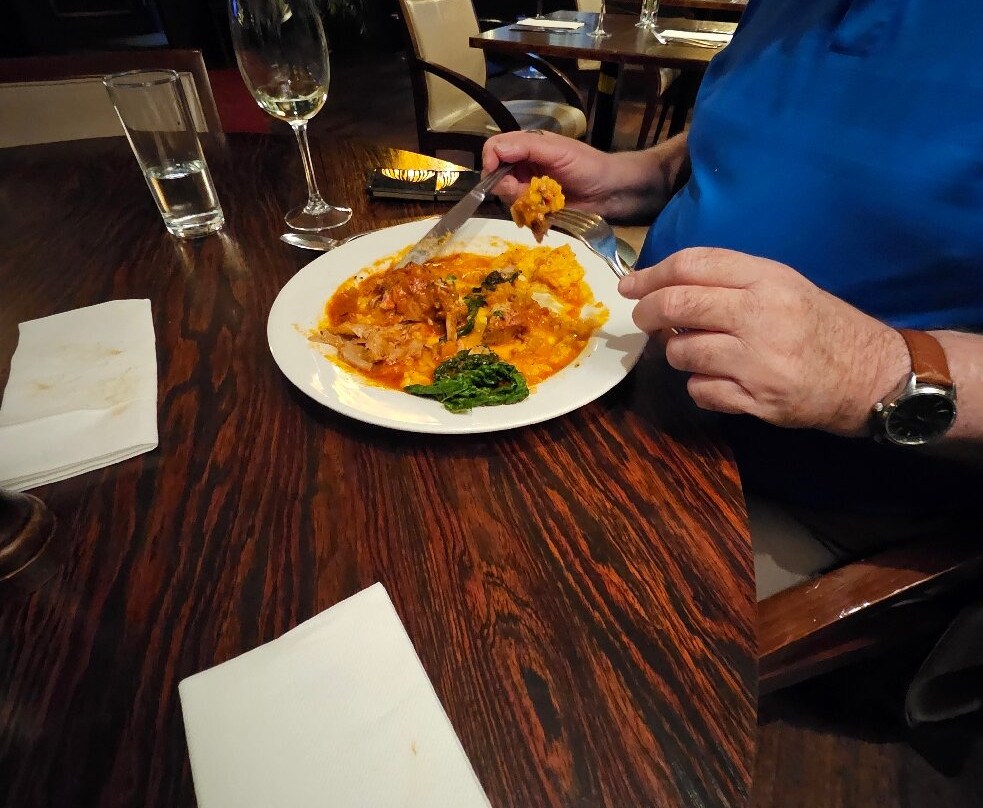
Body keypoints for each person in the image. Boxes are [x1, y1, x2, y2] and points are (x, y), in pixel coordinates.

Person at [482, 0, 983, 597]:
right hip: (629, 387)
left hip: (822, 507)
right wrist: (634, 177)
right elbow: (734, 142)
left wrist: (869, 370)